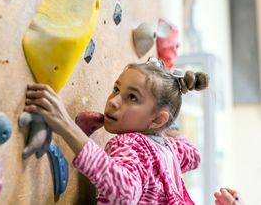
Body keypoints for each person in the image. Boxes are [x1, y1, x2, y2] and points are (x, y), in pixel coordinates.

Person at [24, 57, 209, 204]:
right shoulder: (169, 149)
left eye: (132, 98)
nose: (113, 101)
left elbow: (124, 192)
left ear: (158, 119)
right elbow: (194, 154)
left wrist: (64, 123)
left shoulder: (132, 144)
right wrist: (161, 129)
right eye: (116, 89)